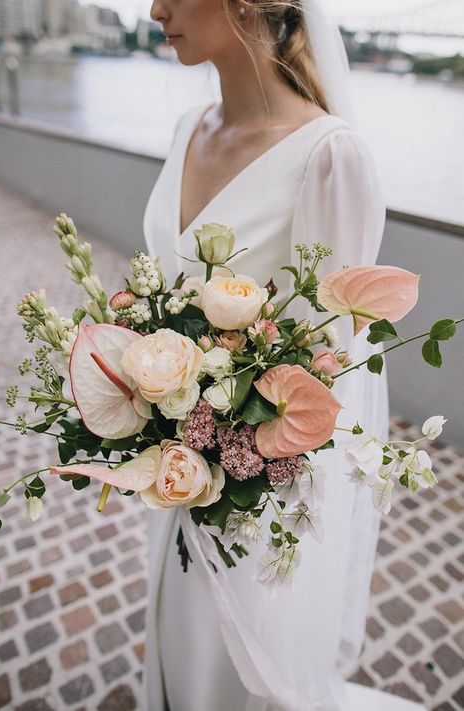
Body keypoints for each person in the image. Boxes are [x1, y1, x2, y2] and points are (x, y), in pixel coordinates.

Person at [141, 1, 424, 710]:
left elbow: (332, 372)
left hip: (252, 507)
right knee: (174, 646)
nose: (154, 10)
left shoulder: (329, 157)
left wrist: (226, 452)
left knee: (229, 672)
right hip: (171, 471)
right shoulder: (185, 130)